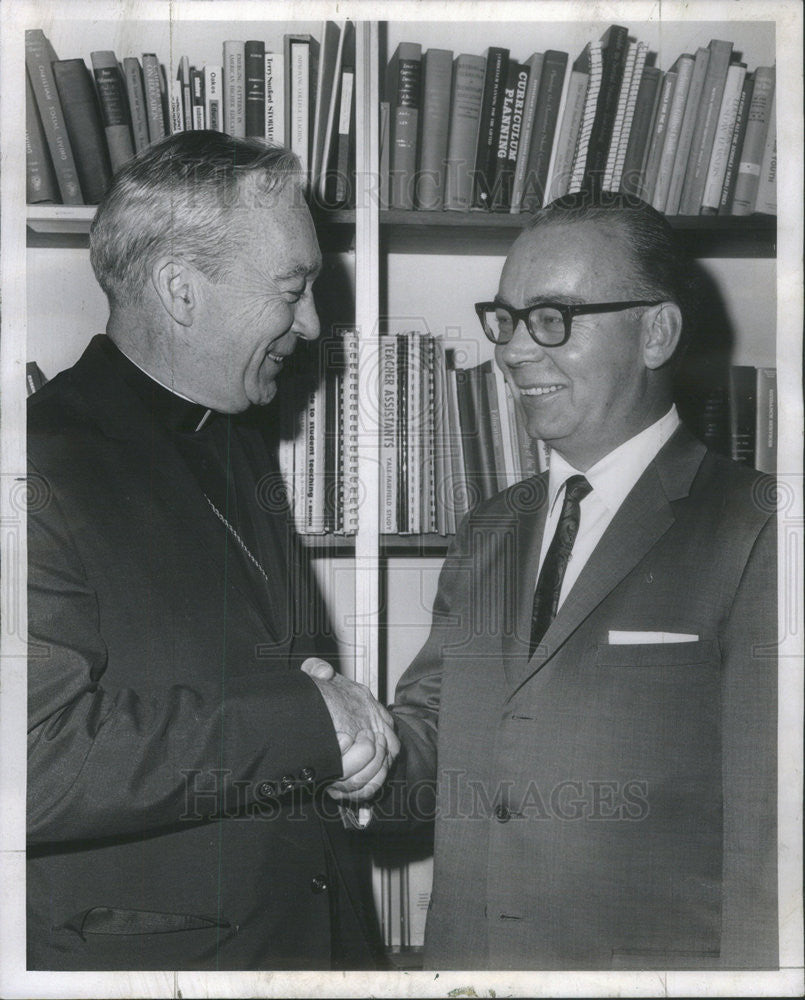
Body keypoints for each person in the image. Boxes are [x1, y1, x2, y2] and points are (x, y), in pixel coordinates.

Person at [342, 192, 778, 970]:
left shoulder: (760, 530)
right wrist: (357, 749)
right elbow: (437, 752)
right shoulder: (488, 530)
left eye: (552, 318)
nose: (511, 350)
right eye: (505, 319)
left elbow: (769, 842)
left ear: (655, 331)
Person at [26, 131, 398, 971]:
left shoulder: (232, 435)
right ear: (181, 291)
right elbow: (30, 764)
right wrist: (308, 726)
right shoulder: (32, 463)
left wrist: (338, 755)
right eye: (293, 289)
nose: (311, 326)